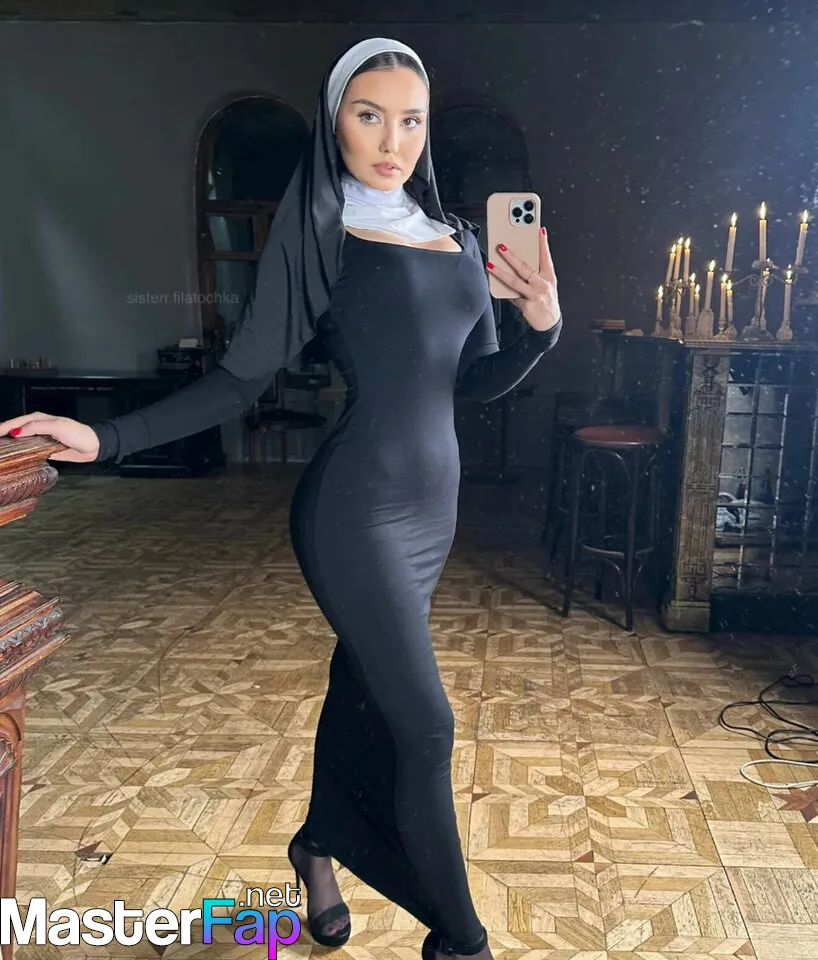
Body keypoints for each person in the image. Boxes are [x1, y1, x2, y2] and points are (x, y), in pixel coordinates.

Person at [0, 37, 562, 960]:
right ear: (334, 122)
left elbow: (468, 383)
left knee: (364, 690)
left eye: (411, 120)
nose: (392, 140)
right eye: (368, 116)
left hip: (431, 518)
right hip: (354, 515)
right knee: (425, 725)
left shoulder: (463, 240)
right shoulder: (321, 237)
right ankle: (462, 942)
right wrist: (105, 438)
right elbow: (237, 382)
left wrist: (541, 330)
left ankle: (315, 846)